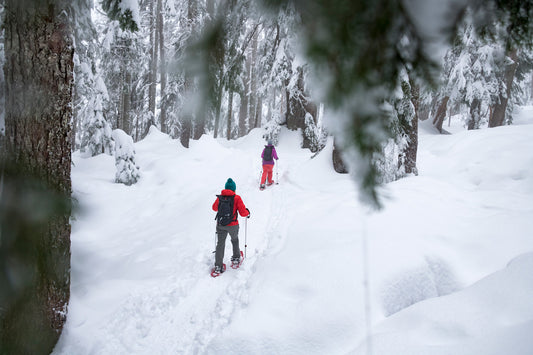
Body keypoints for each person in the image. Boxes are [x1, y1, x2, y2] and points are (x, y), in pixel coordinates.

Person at [212, 178, 250, 273]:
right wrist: (247, 212)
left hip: (221, 224)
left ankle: (218, 266)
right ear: (234, 189)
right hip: (233, 225)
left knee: (220, 244)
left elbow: (214, 208)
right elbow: (242, 213)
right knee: (234, 240)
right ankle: (236, 258)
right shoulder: (236, 198)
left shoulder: (220, 197)